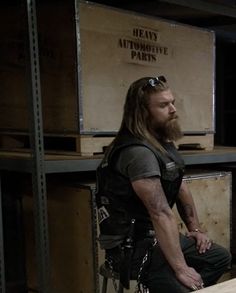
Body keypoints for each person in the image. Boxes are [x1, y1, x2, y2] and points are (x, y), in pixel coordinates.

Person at [95, 76, 231, 293]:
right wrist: (181, 268)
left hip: (155, 237)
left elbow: (180, 186)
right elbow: (160, 212)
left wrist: (194, 229)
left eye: (172, 102)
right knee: (181, 283)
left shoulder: (160, 143)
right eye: (163, 105)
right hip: (132, 247)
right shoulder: (138, 153)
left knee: (218, 258)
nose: (173, 109)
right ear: (142, 112)